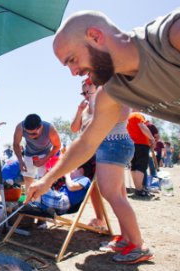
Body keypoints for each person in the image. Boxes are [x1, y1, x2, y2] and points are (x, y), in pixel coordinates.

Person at [50, 5, 180, 237]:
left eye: (72, 60)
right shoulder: (112, 92)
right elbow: (86, 143)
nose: (74, 72)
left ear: (95, 36)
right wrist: (47, 180)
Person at [70, 77, 107, 229]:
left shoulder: (102, 105)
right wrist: (79, 110)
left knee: (104, 187)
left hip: (100, 149)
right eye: (83, 93)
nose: (85, 95)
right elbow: (74, 128)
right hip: (86, 151)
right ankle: (100, 219)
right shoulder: (85, 110)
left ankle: (101, 219)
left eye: (87, 91)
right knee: (91, 186)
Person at [13, 113, 61, 193]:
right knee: (27, 178)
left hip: (45, 153)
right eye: (28, 133)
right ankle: (30, 201)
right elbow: (16, 144)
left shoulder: (50, 129)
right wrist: (21, 161)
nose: (30, 136)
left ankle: (43, 200)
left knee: (43, 179)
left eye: (34, 133)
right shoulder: (20, 127)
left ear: (41, 126)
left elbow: (57, 145)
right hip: (28, 153)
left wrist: (45, 159)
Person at [26, 165, 92, 215]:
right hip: (60, 202)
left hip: (64, 202)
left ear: (81, 171)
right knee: (39, 186)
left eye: (72, 169)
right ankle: (36, 205)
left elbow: (71, 187)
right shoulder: (72, 180)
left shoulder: (85, 179)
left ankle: (33, 204)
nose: (70, 171)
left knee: (39, 186)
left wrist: (67, 176)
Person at [127, 112, 155, 197]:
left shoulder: (127, 117)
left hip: (131, 143)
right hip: (141, 144)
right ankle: (139, 189)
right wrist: (152, 138)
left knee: (134, 166)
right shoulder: (137, 115)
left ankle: (137, 187)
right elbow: (142, 126)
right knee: (141, 166)